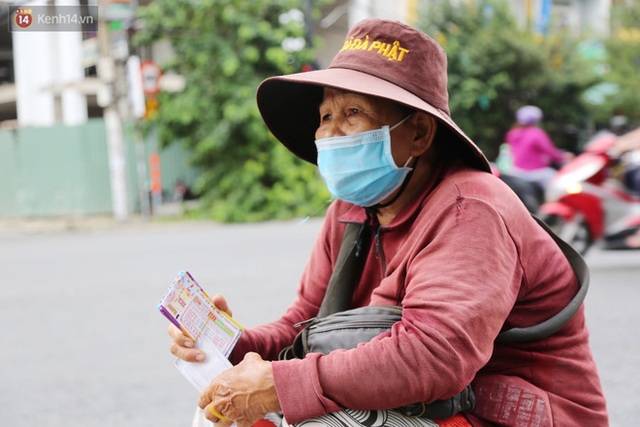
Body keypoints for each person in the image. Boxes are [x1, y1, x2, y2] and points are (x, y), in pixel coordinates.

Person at [168, 19, 608, 427]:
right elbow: (305, 324)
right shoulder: (351, 209)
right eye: (325, 117)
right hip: (426, 406)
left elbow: (432, 356)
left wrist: (279, 385)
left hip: (502, 415)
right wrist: (230, 344)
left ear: (419, 133)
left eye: (353, 113)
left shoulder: (469, 209)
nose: (332, 134)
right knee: (217, 414)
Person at [504, 105, 570, 190]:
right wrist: (564, 157)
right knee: (559, 181)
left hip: (515, 171)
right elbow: (551, 152)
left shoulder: (512, 134)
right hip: (534, 173)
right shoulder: (537, 134)